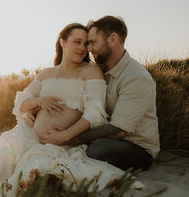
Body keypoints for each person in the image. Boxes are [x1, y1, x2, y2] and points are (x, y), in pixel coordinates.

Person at [0, 23, 136, 197]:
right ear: (62, 41)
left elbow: (95, 113)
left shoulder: (90, 72)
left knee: (30, 171)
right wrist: (39, 102)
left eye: (86, 43)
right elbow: (21, 102)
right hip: (27, 133)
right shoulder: (46, 74)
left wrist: (64, 137)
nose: (83, 48)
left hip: (60, 141)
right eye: (77, 41)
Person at [63, 16, 160, 171]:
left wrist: (71, 138)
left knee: (96, 149)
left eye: (93, 42)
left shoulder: (136, 78)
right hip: (103, 136)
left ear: (113, 39)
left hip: (136, 147)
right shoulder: (98, 69)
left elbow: (117, 130)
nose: (88, 49)